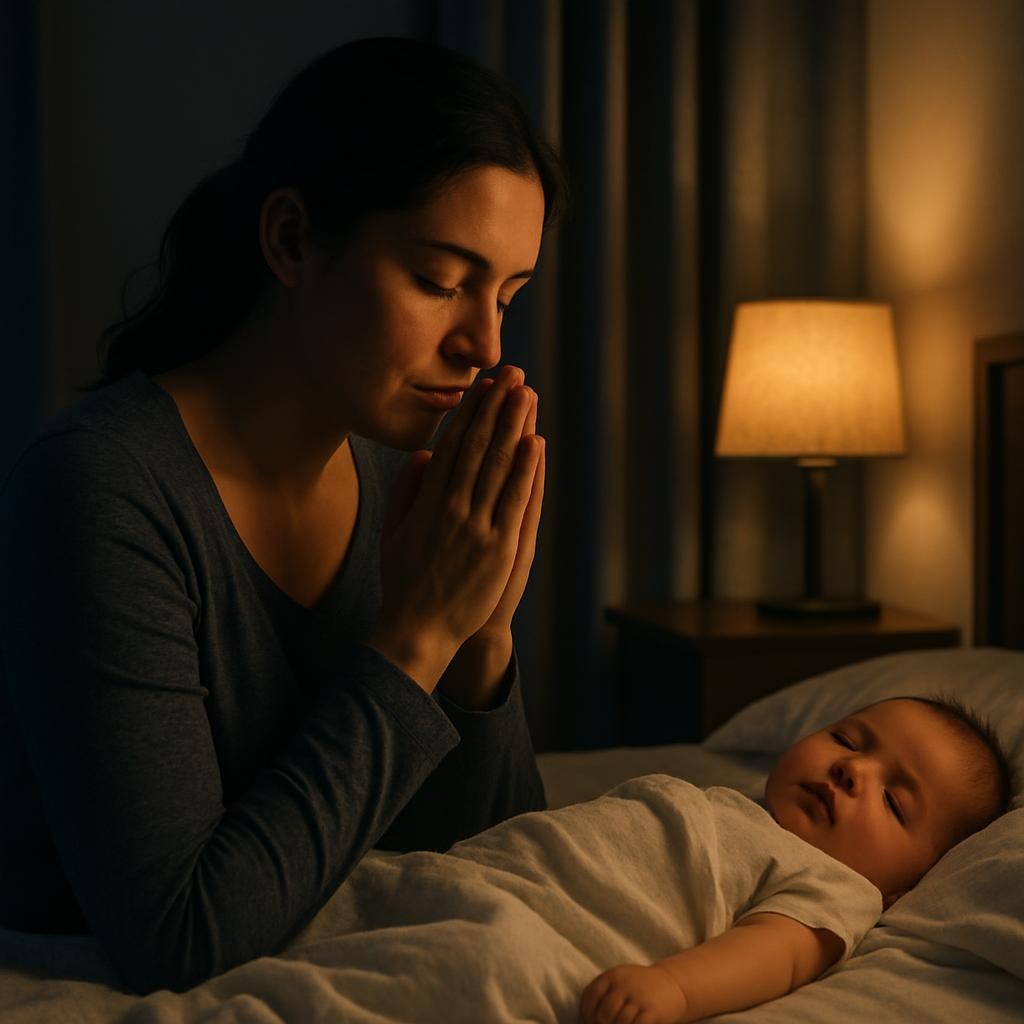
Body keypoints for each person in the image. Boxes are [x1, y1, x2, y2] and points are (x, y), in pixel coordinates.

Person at [0, 36, 569, 995]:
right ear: (292, 240)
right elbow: (175, 937)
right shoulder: (102, 486)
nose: (483, 343)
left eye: (507, 295)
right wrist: (418, 632)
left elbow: (489, 867)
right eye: (439, 281)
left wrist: (483, 637)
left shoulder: (399, 474)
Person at [578, 694, 1013, 1023]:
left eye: (893, 801)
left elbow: (776, 954)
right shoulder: (748, 809)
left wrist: (673, 986)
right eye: (846, 740)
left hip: (566, 930)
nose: (853, 769)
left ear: (902, 890)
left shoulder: (836, 887)